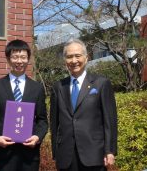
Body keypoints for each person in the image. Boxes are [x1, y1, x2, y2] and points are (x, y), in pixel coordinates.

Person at [50, 38, 118, 171]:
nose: (74, 61)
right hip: (66, 157)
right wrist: (55, 153)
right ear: (65, 61)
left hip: (94, 155)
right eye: (69, 57)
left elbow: (109, 121)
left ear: (86, 58)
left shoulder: (101, 83)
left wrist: (110, 150)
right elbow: (54, 123)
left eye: (77, 56)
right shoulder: (58, 86)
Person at [0, 39, 48, 171]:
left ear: (28, 59)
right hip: (5, 154)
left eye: (23, 57)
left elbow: (42, 120)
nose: (19, 61)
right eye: (15, 57)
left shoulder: (37, 88)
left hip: (29, 155)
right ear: (8, 59)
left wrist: (37, 137)